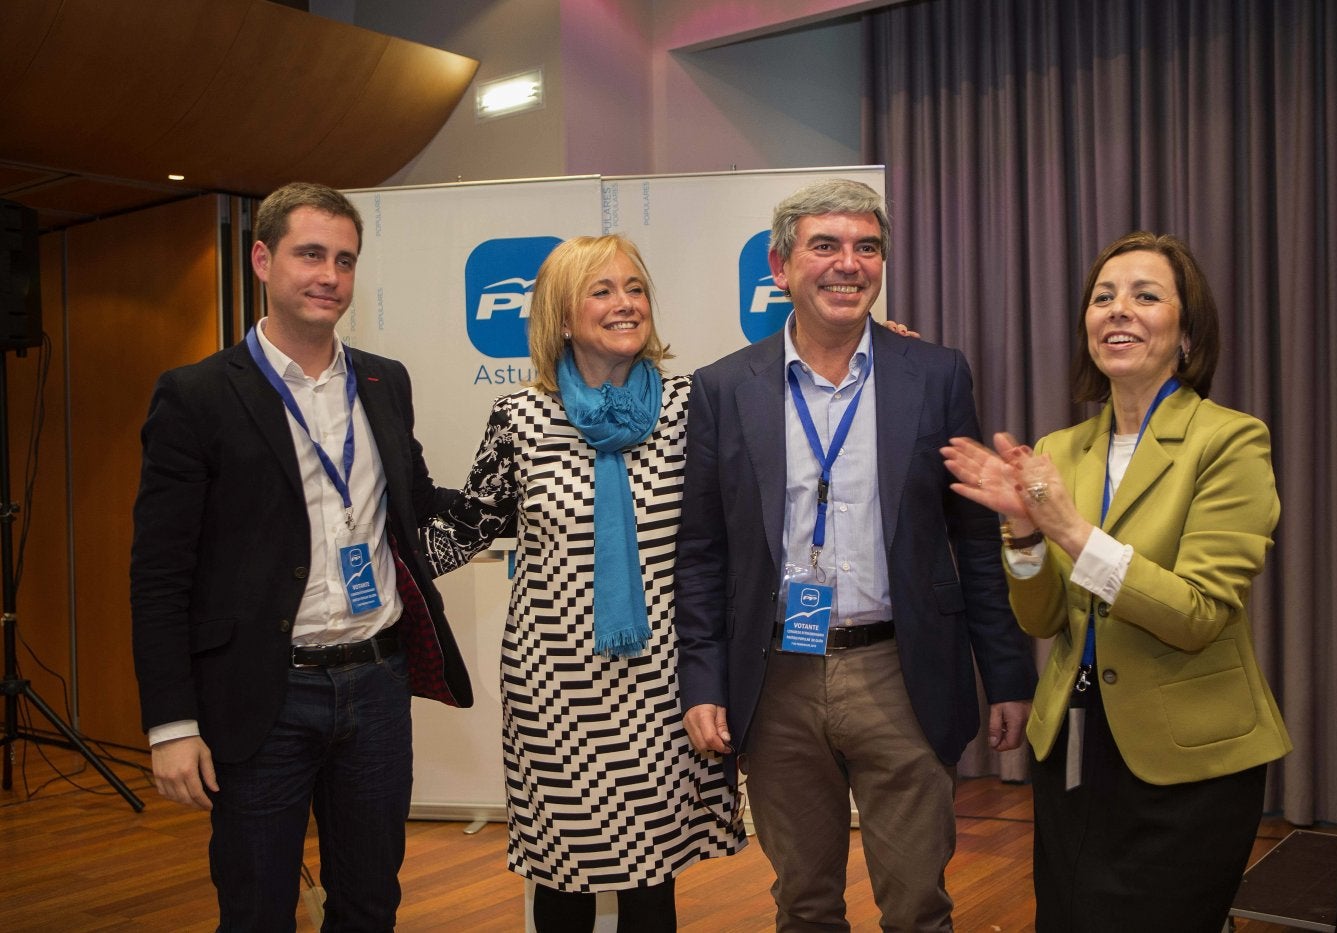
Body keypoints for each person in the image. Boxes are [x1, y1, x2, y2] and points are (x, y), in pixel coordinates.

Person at [675, 178, 1036, 932]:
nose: (849, 263)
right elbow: (703, 554)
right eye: (826, 246)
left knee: (918, 904)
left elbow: (973, 538)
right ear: (780, 268)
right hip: (776, 680)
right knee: (803, 905)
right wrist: (703, 680)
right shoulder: (721, 388)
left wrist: (1007, 674)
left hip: (899, 670)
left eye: (866, 247)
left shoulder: (935, 375)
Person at [130, 181, 472, 932]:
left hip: (377, 684)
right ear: (262, 259)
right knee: (255, 908)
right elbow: (159, 575)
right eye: (310, 254)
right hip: (264, 694)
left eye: (345, 260)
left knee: (370, 903)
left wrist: (521, 485)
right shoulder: (196, 396)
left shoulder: (385, 381)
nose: (330, 276)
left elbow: (414, 501)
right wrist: (170, 724)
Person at [942, 231, 1292, 933]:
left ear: (1187, 333)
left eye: (1144, 295)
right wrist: (1026, 533)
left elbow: (1196, 613)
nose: (1116, 310)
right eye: (1102, 298)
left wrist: (1070, 529)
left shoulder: (1229, 440)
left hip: (1188, 763)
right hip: (1072, 745)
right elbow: (1043, 620)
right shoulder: (1059, 450)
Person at [420, 234, 745, 932]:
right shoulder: (521, 418)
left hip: (663, 684)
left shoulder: (695, 406)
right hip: (554, 689)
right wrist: (353, 556)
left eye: (634, 287)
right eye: (602, 290)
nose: (625, 303)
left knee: (652, 869)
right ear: (562, 318)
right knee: (563, 866)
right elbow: (466, 528)